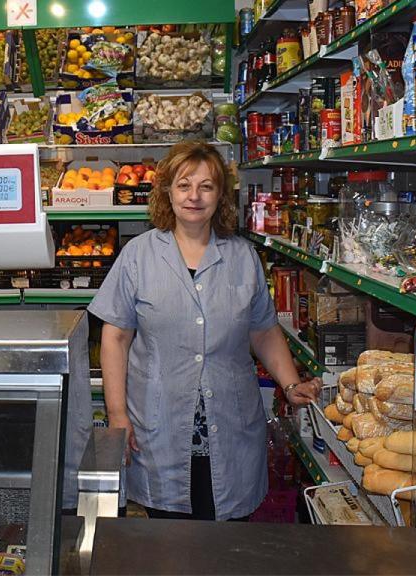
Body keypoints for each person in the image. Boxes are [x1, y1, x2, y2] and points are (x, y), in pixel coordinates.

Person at [87, 140, 321, 521]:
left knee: (227, 543)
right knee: (170, 541)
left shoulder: (242, 257)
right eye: (183, 185)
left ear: (220, 196)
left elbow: (262, 330)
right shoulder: (138, 255)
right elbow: (115, 337)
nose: (194, 196)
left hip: (229, 427)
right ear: (167, 192)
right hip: (159, 426)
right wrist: (117, 414)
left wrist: (292, 385)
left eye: (206, 186)